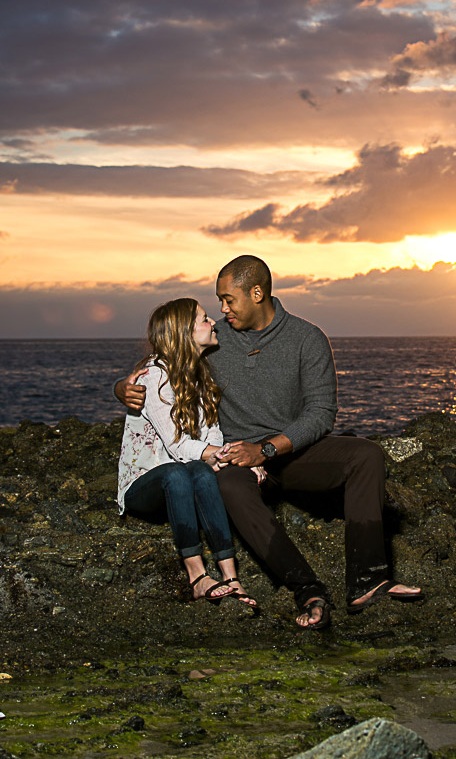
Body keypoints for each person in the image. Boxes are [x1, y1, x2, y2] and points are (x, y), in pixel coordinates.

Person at [116, 257, 421, 629]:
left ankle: (368, 581)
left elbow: (322, 413)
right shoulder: (216, 339)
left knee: (367, 455)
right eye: (218, 302)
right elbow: (168, 358)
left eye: (228, 300)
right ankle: (307, 588)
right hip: (237, 460)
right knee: (225, 484)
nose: (222, 310)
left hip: (291, 453)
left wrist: (267, 449)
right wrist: (123, 388)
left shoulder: (307, 339)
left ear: (257, 293)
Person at [117, 297, 259, 610]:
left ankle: (231, 577)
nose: (213, 323)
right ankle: (196, 576)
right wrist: (227, 455)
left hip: (186, 477)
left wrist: (235, 458)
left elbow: (212, 436)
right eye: (204, 319)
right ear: (184, 332)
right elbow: (178, 446)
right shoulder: (154, 375)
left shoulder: (202, 376)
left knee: (199, 471)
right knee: (177, 472)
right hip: (145, 485)